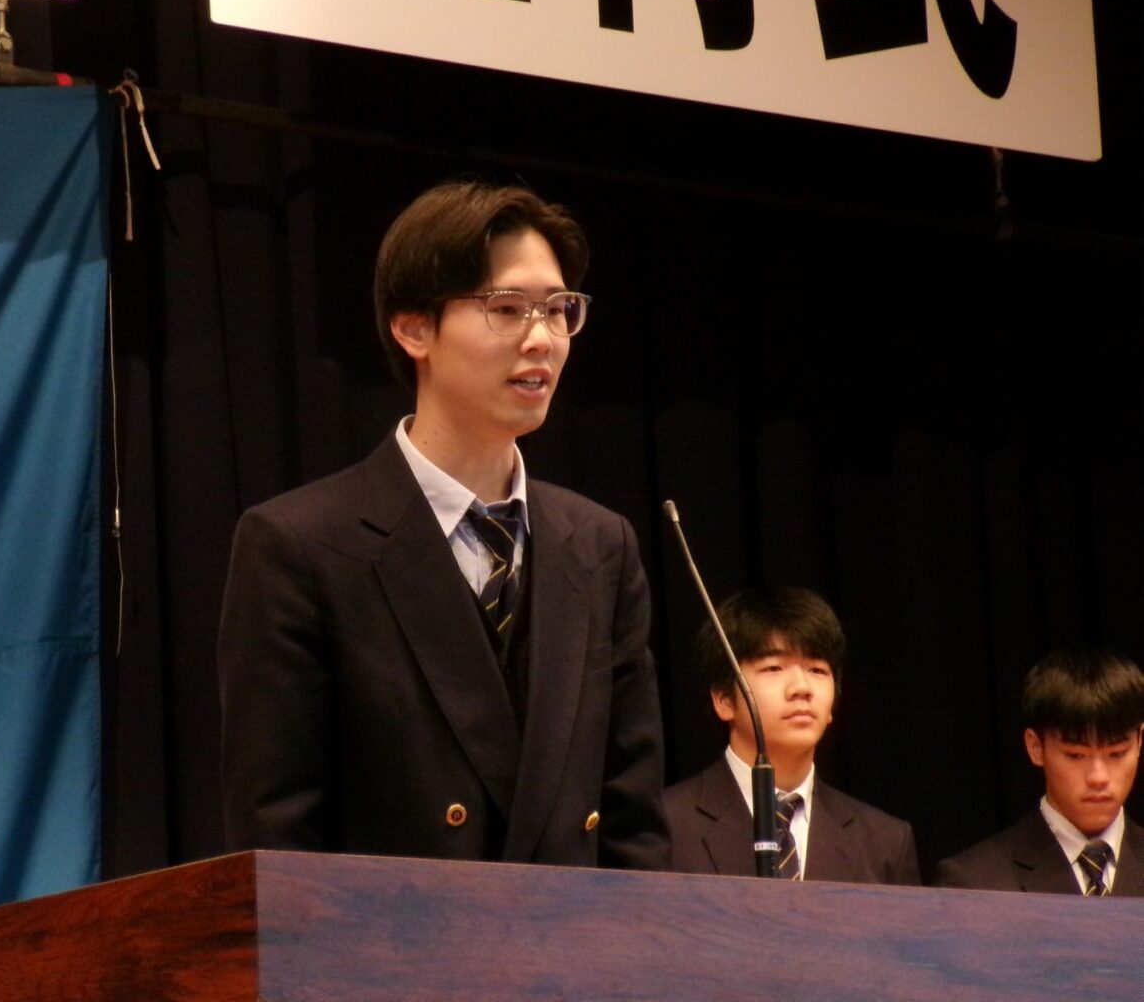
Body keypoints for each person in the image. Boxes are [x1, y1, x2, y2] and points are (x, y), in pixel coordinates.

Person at [218, 181, 669, 869]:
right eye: (507, 309)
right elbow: (277, 841)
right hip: (390, 935)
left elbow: (632, 828)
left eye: (558, 310)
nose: (542, 339)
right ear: (413, 328)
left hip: (572, 937)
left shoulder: (600, 545)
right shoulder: (300, 546)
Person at [664, 587, 919, 883]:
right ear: (724, 699)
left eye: (817, 670)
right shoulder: (665, 824)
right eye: (774, 668)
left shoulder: (885, 842)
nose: (801, 688)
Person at [934, 648, 1144, 895]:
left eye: (1116, 754)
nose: (1098, 777)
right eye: (1076, 755)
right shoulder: (974, 882)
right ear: (1035, 747)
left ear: (1140, 741)